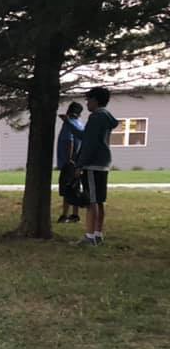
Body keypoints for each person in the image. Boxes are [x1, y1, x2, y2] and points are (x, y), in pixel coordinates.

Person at [75, 87, 117, 246]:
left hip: (93, 163)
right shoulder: (106, 117)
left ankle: (89, 236)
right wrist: (70, 125)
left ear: (95, 100)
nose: (87, 103)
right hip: (103, 162)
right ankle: (98, 234)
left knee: (91, 201)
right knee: (99, 200)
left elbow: (89, 143)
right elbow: (87, 136)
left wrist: (80, 164)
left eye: (88, 100)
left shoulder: (96, 117)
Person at [56, 102, 84, 224]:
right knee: (75, 187)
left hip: (69, 163)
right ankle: (75, 215)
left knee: (67, 188)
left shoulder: (68, 124)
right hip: (77, 162)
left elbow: (69, 141)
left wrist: (69, 160)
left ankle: (64, 215)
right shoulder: (80, 124)